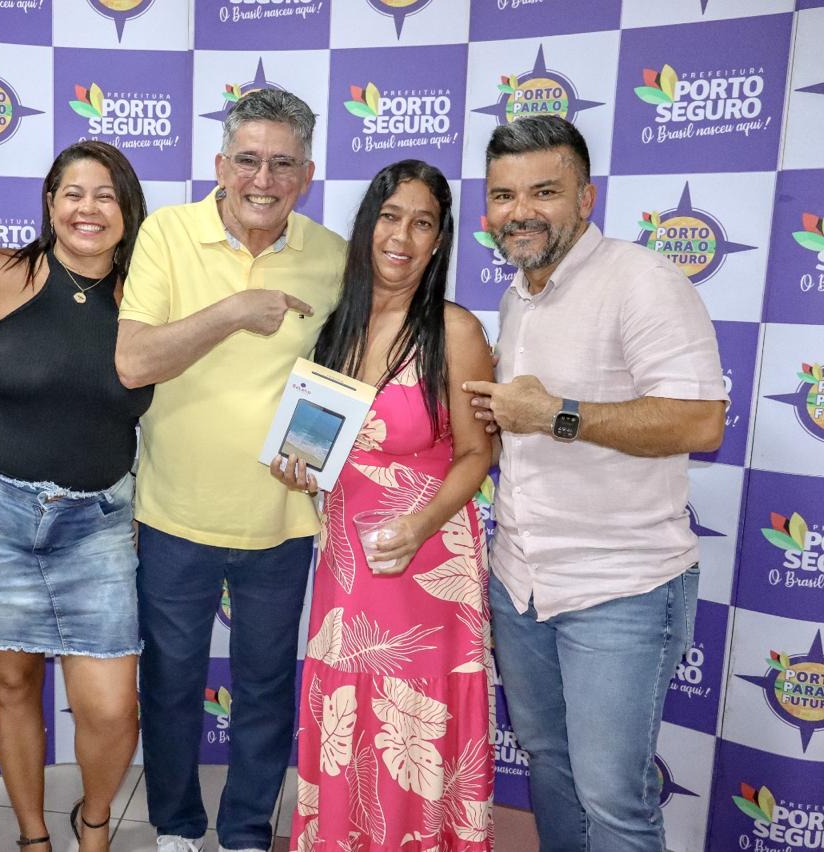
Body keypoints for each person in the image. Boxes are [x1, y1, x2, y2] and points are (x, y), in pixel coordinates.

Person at [463, 116, 726, 851]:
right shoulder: (519, 295)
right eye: (504, 195)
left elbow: (702, 420)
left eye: (544, 192)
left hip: (621, 588)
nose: (520, 211)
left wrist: (558, 415)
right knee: (550, 764)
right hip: (522, 583)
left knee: (612, 798)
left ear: (586, 198)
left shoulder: (641, 280)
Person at [116, 88, 347, 852]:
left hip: (281, 520)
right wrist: (235, 310)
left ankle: (247, 831)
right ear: (220, 166)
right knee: (171, 683)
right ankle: (177, 827)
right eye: (247, 159)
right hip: (174, 512)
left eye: (282, 164)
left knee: (267, 688)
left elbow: (345, 375)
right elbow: (133, 361)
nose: (263, 179)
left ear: (306, 175)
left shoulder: (333, 256)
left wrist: (312, 457)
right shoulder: (167, 233)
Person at [270, 160, 495, 851]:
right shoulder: (338, 325)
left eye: (422, 223)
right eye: (390, 217)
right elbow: (323, 443)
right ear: (368, 225)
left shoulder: (454, 331)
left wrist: (421, 524)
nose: (402, 236)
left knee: (414, 728)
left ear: (439, 240)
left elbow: (478, 453)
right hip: (347, 562)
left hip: (427, 566)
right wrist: (299, 471)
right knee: (349, 721)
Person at [0, 140, 150, 852]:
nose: (88, 209)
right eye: (73, 193)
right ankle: (33, 837)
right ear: (49, 202)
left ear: (128, 211)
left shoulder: (148, 297)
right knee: (10, 685)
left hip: (97, 525)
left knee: (111, 707)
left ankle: (93, 824)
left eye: (106, 195)